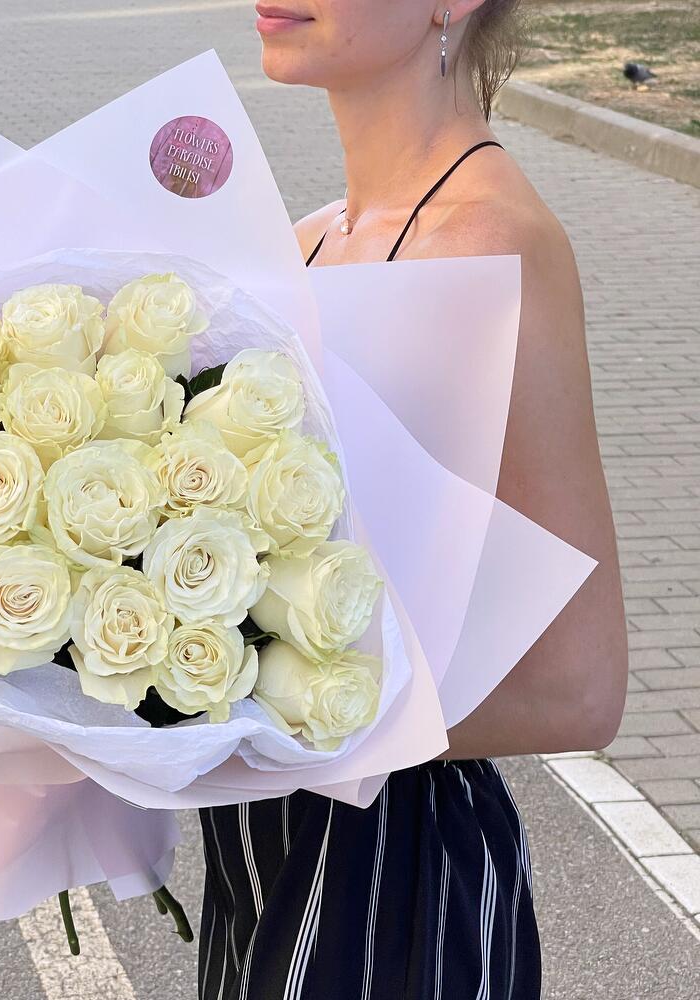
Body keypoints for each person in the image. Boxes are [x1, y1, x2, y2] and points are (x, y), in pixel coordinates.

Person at [197, 3, 629, 998]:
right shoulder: (304, 244)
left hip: (393, 879)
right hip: (261, 847)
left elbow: (579, 687)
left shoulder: (493, 243)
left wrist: (243, 702)